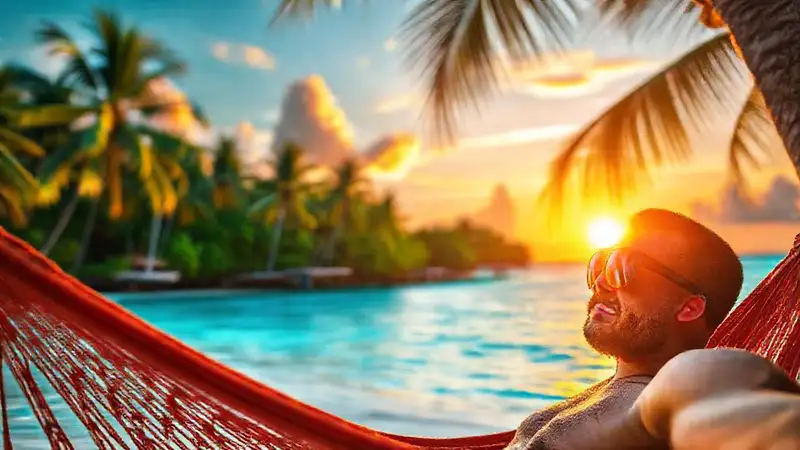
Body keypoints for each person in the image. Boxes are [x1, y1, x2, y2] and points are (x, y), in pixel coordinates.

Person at [505, 208, 744, 450]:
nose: (600, 282)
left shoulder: (658, 421)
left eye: (623, 266)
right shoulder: (613, 398)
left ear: (689, 307)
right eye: (602, 263)